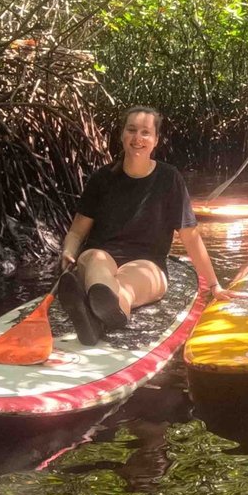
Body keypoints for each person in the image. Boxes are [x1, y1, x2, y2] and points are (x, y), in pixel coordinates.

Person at [57, 107, 218, 345]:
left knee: (124, 288)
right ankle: (97, 315)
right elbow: (77, 231)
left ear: (155, 141)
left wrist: (214, 284)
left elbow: (190, 236)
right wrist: (68, 250)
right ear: (122, 135)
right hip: (100, 256)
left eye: (145, 132)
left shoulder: (169, 178)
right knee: (95, 259)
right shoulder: (102, 179)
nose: (137, 138)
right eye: (131, 130)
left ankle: (93, 312)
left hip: (147, 265)